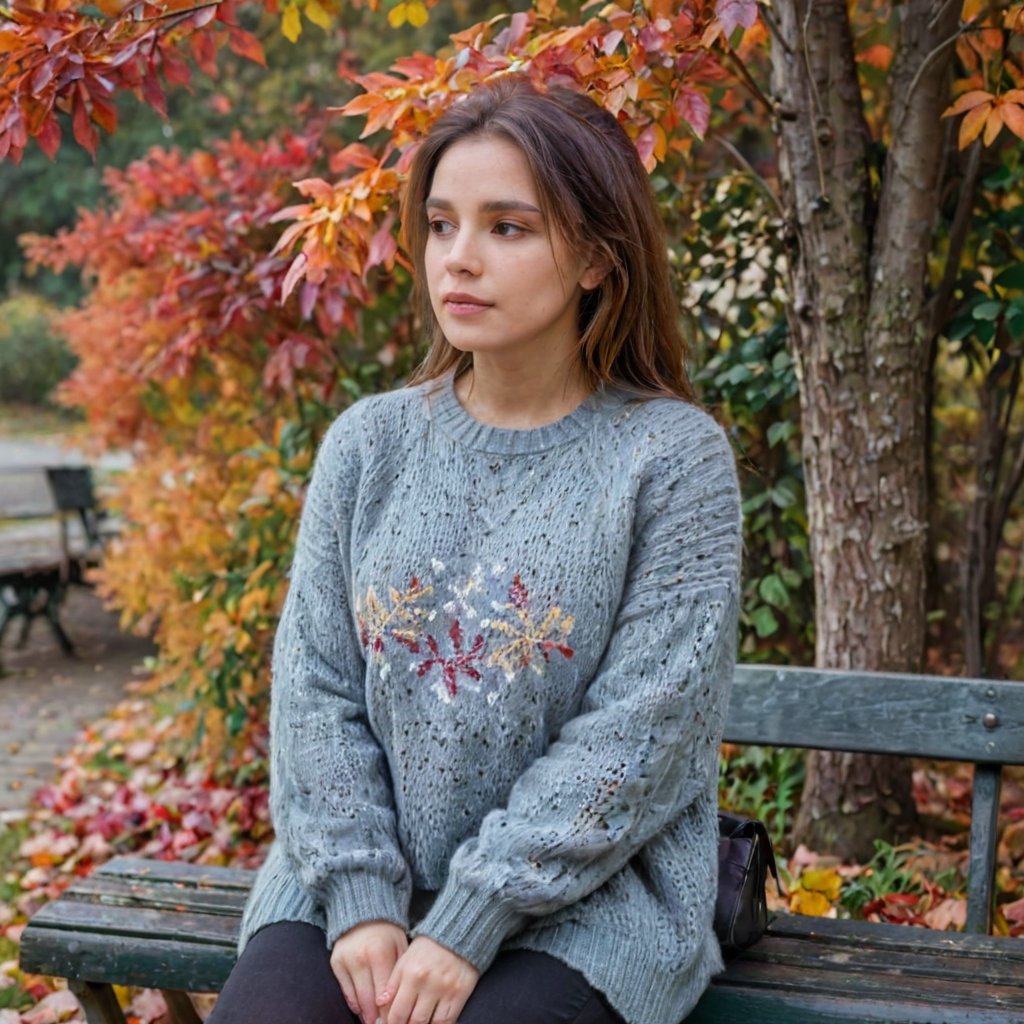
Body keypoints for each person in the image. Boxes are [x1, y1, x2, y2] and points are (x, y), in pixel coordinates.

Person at [207, 77, 742, 1024]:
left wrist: (471, 917)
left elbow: (645, 733)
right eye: (442, 224)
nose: (459, 258)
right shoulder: (368, 444)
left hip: (586, 903)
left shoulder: (669, 459)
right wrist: (364, 901)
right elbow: (314, 691)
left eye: (507, 227)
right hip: (352, 882)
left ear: (596, 259)